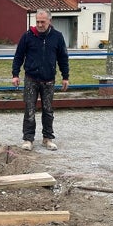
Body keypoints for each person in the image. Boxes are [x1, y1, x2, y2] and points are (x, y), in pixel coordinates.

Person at [12, 8, 70, 151]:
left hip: (49, 80)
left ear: (49, 21)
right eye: (37, 21)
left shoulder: (57, 37)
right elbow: (19, 56)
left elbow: (63, 57)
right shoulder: (27, 36)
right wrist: (15, 74)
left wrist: (65, 77)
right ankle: (28, 139)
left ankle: (47, 138)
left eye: (42, 22)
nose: (39, 24)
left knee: (48, 110)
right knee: (29, 110)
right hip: (31, 78)